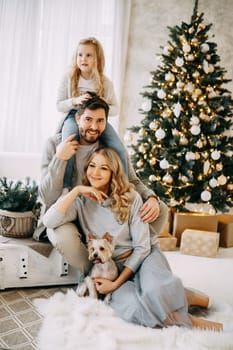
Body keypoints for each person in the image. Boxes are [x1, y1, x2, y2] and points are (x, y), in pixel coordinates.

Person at [42, 147, 231, 332]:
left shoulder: (131, 198)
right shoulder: (80, 202)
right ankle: (202, 317)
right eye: (91, 165)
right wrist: (76, 191)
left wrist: (116, 285)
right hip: (112, 269)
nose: (95, 173)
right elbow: (49, 220)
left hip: (145, 256)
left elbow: (142, 247)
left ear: (113, 173)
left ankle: (211, 312)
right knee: (135, 309)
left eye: (104, 168)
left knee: (155, 293)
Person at [37, 95, 168, 274]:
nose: (94, 127)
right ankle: (96, 275)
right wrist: (60, 158)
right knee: (63, 236)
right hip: (67, 209)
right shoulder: (54, 144)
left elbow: (132, 180)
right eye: (88, 119)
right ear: (77, 118)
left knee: (160, 209)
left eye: (100, 121)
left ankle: (128, 259)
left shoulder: (111, 149)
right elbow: (48, 196)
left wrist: (151, 197)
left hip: (97, 211)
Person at [56, 36, 127, 189]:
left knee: (119, 148)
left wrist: (105, 103)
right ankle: (66, 187)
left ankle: (124, 187)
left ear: (97, 59)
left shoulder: (105, 82)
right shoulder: (68, 78)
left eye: (89, 55)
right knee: (68, 144)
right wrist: (74, 101)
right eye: (80, 55)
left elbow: (115, 109)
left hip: (98, 119)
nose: (83, 59)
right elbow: (59, 105)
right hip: (73, 116)